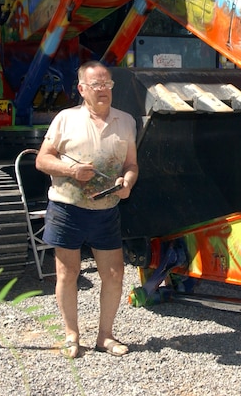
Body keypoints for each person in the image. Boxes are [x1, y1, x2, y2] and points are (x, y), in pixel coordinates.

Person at [36, 60, 139, 358]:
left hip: (107, 210)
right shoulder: (65, 119)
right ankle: (71, 336)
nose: (103, 90)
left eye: (108, 84)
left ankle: (105, 336)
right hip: (67, 208)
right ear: (82, 89)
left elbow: (131, 165)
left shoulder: (126, 121)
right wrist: (71, 171)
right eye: (96, 85)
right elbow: (42, 160)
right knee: (68, 273)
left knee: (114, 274)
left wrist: (127, 183)